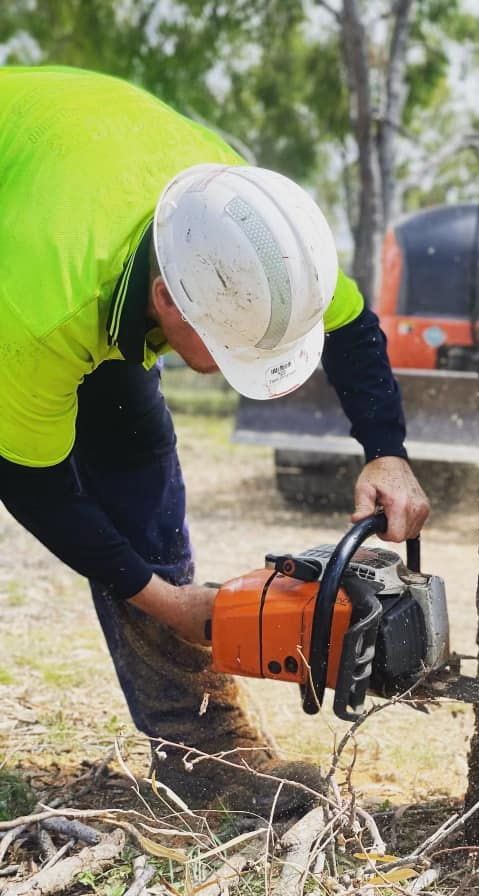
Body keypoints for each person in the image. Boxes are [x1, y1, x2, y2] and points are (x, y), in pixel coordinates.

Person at [0, 66, 429, 813]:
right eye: (230, 346)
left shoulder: (252, 230)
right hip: (34, 237)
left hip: (83, 184)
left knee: (138, 449)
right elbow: (34, 482)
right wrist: (167, 602)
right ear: (168, 297)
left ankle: (206, 752)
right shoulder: (39, 310)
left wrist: (385, 449)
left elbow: (352, 325)